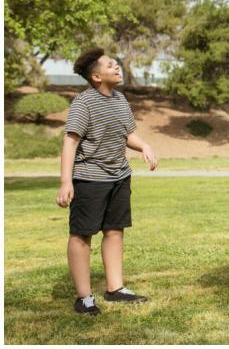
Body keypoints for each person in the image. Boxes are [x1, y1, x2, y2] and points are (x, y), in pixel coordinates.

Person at [55, 48, 158, 316]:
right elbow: (70, 142)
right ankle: (84, 298)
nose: (116, 67)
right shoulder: (84, 103)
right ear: (97, 76)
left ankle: (115, 288)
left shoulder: (120, 99)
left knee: (114, 230)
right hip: (89, 178)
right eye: (110, 65)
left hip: (119, 176)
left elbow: (128, 134)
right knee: (82, 234)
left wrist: (144, 146)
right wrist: (66, 181)